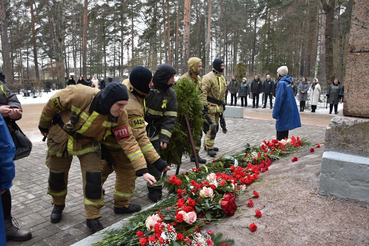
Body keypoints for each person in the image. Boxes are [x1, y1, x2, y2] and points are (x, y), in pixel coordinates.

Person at [38, 82, 161, 233]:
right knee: (57, 176)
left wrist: (142, 169)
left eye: (125, 105)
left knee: (93, 180)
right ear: (109, 101)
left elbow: (128, 141)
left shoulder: (119, 115)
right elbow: (51, 105)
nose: (123, 109)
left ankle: (93, 217)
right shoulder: (79, 93)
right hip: (61, 137)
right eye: (120, 105)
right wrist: (43, 125)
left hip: (88, 142)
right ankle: (58, 205)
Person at [100, 66, 170, 208]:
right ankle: (121, 205)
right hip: (119, 146)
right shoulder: (131, 107)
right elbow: (140, 138)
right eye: (150, 82)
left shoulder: (130, 86)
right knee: (127, 173)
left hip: (107, 142)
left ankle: (95, 191)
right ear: (141, 85)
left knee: (100, 171)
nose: (152, 84)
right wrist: (157, 161)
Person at [0, 75, 32, 242]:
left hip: (3, 139)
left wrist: (14, 110)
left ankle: (6, 225)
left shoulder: (0, 84)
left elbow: (12, 98)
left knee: (4, 186)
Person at [144, 64, 177, 202]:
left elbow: (170, 117)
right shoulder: (147, 88)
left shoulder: (170, 94)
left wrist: (164, 137)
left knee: (155, 160)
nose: (174, 80)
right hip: (139, 128)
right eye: (171, 77)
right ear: (163, 78)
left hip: (155, 131)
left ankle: (155, 190)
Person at [179, 57, 207, 164]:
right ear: (193, 66)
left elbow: (201, 93)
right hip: (186, 113)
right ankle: (178, 156)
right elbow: (181, 97)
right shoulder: (184, 79)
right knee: (184, 135)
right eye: (199, 66)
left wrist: (204, 106)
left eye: (201, 65)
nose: (201, 68)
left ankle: (195, 154)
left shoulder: (198, 79)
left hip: (197, 112)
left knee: (197, 134)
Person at [201, 58, 227, 157]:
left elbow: (223, 92)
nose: (223, 68)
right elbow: (203, 93)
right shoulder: (207, 77)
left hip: (218, 107)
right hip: (209, 106)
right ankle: (209, 148)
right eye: (221, 66)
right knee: (212, 127)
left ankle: (207, 144)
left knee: (216, 127)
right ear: (216, 66)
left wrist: (223, 103)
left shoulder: (222, 78)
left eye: (223, 66)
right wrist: (204, 106)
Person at [272, 66, 301, 141]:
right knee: (285, 132)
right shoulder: (288, 83)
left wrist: (275, 113)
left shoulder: (281, 83)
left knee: (280, 133)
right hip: (287, 110)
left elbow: (279, 99)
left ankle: (280, 148)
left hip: (283, 110)